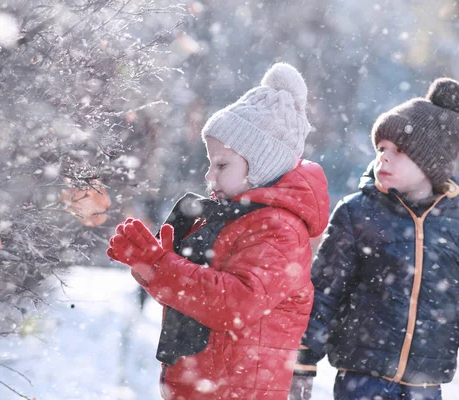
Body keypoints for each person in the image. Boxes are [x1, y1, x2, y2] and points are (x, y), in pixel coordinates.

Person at [107, 62, 330, 399]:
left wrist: (161, 267)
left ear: (262, 166)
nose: (210, 176)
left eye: (222, 164)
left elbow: (233, 303)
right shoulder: (232, 218)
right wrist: (153, 267)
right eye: (211, 163)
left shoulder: (278, 229)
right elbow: (195, 299)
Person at [291, 78, 459, 400]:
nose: (384, 157)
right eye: (381, 148)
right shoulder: (358, 212)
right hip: (362, 377)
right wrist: (303, 361)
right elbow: (323, 291)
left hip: (425, 384)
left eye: (399, 150)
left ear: (430, 163)